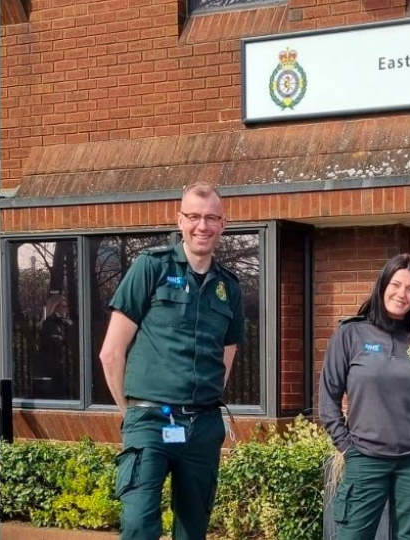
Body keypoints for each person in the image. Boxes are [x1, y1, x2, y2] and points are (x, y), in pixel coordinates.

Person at [99, 182, 245, 540]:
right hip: (149, 420)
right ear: (180, 220)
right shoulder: (152, 267)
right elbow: (111, 352)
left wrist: (203, 404)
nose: (202, 226)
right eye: (194, 216)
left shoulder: (230, 286)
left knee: (193, 530)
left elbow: (226, 357)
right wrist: (130, 412)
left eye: (211, 218)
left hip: (202, 427)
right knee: (138, 524)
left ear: (222, 225)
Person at [320, 253, 410, 540]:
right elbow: (328, 398)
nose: (402, 294)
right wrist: (348, 448)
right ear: (383, 285)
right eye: (396, 284)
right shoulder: (351, 333)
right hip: (365, 459)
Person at [35, 294, 72, 398]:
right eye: (63, 306)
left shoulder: (63, 323)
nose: (67, 309)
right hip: (49, 365)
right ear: (56, 307)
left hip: (57, 363)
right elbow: (56, 342)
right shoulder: (49, 323)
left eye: (67, 306)